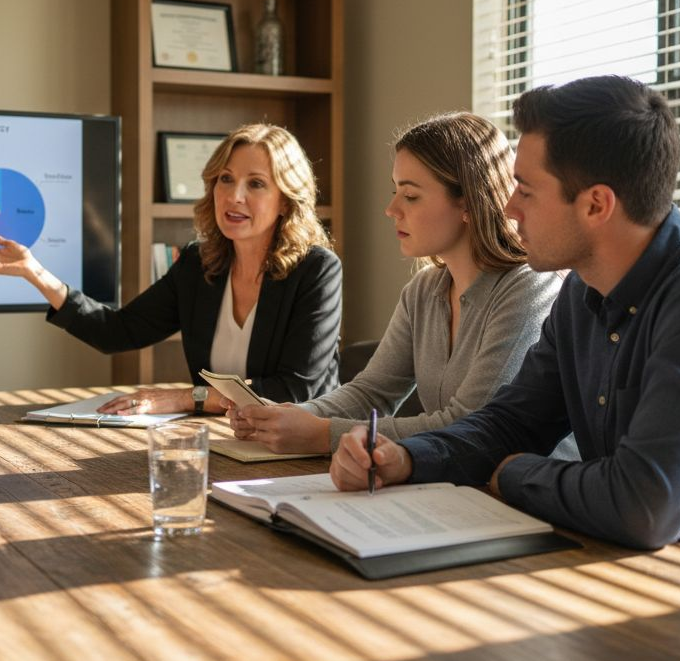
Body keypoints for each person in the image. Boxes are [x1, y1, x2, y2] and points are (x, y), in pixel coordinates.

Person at [331, 76, 680, 583]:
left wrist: (513, 473)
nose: (509, 209)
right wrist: (406, 459)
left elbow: (643, 505)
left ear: (596, 204)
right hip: (655, 585)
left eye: (526, 191)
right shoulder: (583, 294)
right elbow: (511, 424)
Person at [226, 112, 562, 454]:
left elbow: (471, 422)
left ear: (468, 201)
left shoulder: (529, 289)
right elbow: (371, 393)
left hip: (521, 497)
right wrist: (284, 416)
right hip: (454, 483)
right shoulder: (423, 291)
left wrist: (321, 433)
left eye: (411, 196)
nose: (391, 209)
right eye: (394, 191)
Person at [0, 123, 342, 415]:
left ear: (286, 201)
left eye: (255, 184)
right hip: (223, 440)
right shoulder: (198, 263)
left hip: (297, 450)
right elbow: (118, 331)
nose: (233, 196)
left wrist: (182, 398)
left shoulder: (317, 271)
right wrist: (34, 272)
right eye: (226, 179)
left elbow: (294, 390)